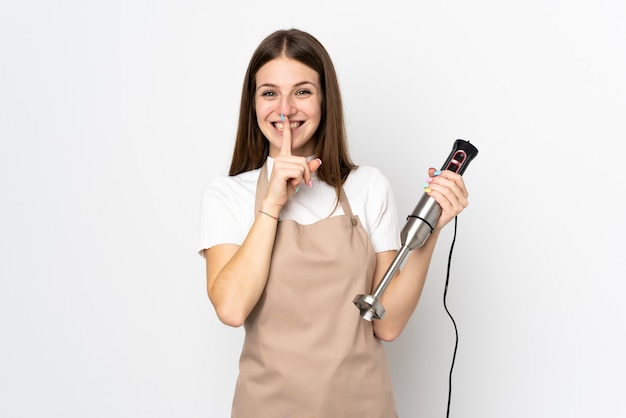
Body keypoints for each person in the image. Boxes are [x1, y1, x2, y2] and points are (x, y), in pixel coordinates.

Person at [198, 28, 469, 417]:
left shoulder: (368, 186)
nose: (286, 109)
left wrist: (431, 231)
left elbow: (386, 326)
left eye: (303, 91)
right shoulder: (228, 195)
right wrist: (272, 204)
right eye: (270, 92)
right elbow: (231, 309)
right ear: (253, 103)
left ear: (325, 99)